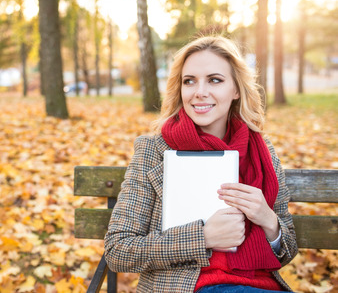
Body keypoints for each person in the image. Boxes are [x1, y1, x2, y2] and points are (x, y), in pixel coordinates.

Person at [104, 36, 298, 292]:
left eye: (215, 80)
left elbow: (288, 251)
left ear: (236, 90)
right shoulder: (155, 151)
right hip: (190, 286)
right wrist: (203, 237)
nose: (199, 92)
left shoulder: (261, 151)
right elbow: (118, 250)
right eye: (189, 81)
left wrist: (268, 220)